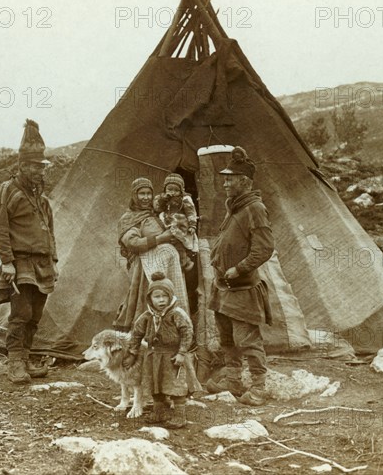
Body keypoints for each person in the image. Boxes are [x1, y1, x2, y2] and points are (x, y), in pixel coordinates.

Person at [0, 120, 58, 384]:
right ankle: (15, 363)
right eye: (36, 167)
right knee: (21, 313)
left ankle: (26, 358)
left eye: (42, 167)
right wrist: (7, 262)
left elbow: (50, 232)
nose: (41, 172)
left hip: (43, 264)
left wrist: (54, 260)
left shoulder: (41, 199)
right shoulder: (8, 192)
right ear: (23, 166)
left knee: (36, 314)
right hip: (20, 263)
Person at [206, 146, 274, 406]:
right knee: (226, 336)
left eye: (229, 179)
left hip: (241, 287)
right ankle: (233, 379)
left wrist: (240, 268)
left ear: (244, 183)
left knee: (248, 339)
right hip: (223, 286)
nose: (224, 183)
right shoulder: (235, 205)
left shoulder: (254, 208)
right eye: (225, 178)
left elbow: (264, 247)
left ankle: (259, 387)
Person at [123, 272, 202, 428]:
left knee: (175, 385)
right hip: (154, 355)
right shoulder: (147, 316)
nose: (161, 300)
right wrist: (132, 353)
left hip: (173, 356)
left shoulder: (177, 314)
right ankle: (159, 412)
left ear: (170, 296)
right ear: (150, 298)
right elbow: (136, 334)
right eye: (157, 296)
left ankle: (180, 416)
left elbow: (187, 333)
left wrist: (181, 353)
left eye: (164, 296)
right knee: (155, 384)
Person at [113, 178, 190, 331]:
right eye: (142, 193)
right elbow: (132, 243)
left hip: (165, 268)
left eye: (149, 193)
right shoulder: (129, 219)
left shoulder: (156, 215)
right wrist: (161, 238)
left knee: (167, 302)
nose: (146, 197)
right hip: (144, 270)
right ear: (134, 195)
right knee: (146, 303)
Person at [153, 173, 199, 272]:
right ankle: (168, 264)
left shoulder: (185, 199)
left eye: (176, 190)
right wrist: (163, 199)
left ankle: (184, 262)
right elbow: (157, 208)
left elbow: (191, 212)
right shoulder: (163, 198)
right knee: (167, 242)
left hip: (179, 225)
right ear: (165, 189)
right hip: (167, 223)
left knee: (179, 244)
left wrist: (192, 225)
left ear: (181, 190)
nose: (173, 192)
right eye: (170, 189)